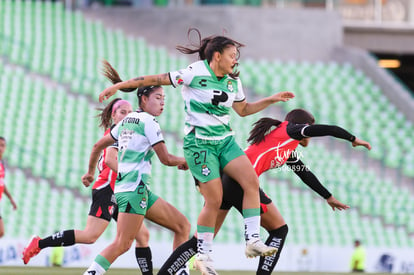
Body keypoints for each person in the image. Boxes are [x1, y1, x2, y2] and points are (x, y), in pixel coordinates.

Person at [99, 28, 295, 275]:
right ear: (216, 56)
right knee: (213, 200)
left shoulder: (233, 81)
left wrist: (272, 99)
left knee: (251, 182)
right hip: (199, 144)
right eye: (232, 54)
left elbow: (243, 110)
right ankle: (204, 255)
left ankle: (252, 240)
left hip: (225, 141)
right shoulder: (194, 73)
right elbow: (154, 79)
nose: (236, 59)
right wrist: (120, 85)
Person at [157, 108, 372, 275]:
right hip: (240, 183)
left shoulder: (287, 149)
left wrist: (329, 197)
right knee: (280, 230)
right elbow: (330, 129)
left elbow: (304, 173)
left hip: (229, 183)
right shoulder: (292, 130)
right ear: (305, 126)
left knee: (200, 241)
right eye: (310, 129)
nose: (310, 136)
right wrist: (353, 139)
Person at [22, 98, 190, 275]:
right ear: (113, 115)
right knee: (91, 236)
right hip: (109, 189)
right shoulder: (116, 133)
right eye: (122, 112)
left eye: (129, 112)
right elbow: (110, 159)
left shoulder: (127, 132)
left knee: (142, 236)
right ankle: (39, 243)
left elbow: (99, 151)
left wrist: (90, 172)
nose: (127, 115)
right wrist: (129, 174)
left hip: (123, 190)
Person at [82, 85, 190, 275]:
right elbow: (166, 159)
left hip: (134, 190)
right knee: (122, 244)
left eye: (163, 97)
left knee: (182, 226)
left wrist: (91, 172)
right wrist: (185, 161)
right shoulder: (149, 121)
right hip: (134, 191)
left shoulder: (126, 121)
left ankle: (181, 272)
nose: (162, 102)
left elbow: (98, 145)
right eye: (158, 97)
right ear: (144, 99)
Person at [0, 136, 18, 239]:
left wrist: (11, 198)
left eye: (3, 145)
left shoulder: (2, 165)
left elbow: (2, 183)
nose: (0, 148)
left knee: (1, 231)